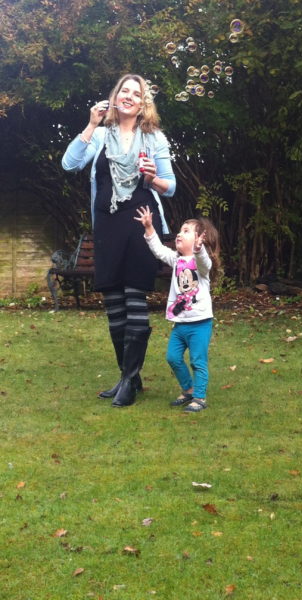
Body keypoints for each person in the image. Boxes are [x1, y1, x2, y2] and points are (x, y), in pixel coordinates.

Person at [61, 74, 176, 407]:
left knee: (134, 299)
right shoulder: (98, 135)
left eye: (136, 93)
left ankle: (127, 381)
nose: (129, 96)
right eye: (124, 91)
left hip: (140, 223)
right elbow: (69, 164)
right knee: (114, 305)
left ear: (143, 103)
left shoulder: (153, 138)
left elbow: (172, 186)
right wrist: (89, 125)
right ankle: (129, 376)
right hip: (108, 226)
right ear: (115, 97)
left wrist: (153, 178)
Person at [135, 206, 220, 412]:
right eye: (180, 230)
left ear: (201, 239)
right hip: (180, 323)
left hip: (200, 324)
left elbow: (204, 261)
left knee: (198, 361)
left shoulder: (201, 265)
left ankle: (199, 398)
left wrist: (199, 250)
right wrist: (149, 228)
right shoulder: (177, 260)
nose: (179, 234)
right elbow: (158, 250)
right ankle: (188, 389)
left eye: (186, 231)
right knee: (172, 357)